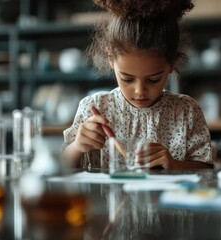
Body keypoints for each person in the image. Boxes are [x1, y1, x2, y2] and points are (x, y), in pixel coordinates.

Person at [62, 0, 213, 169]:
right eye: (127, 79)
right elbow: (62, 167)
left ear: (172, 63)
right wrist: (77, 146)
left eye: (153, 79)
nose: (140, 91)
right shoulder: (95, 107)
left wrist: (173, 164)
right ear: (110, 59)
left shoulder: (187, 111)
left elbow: (207, 169)